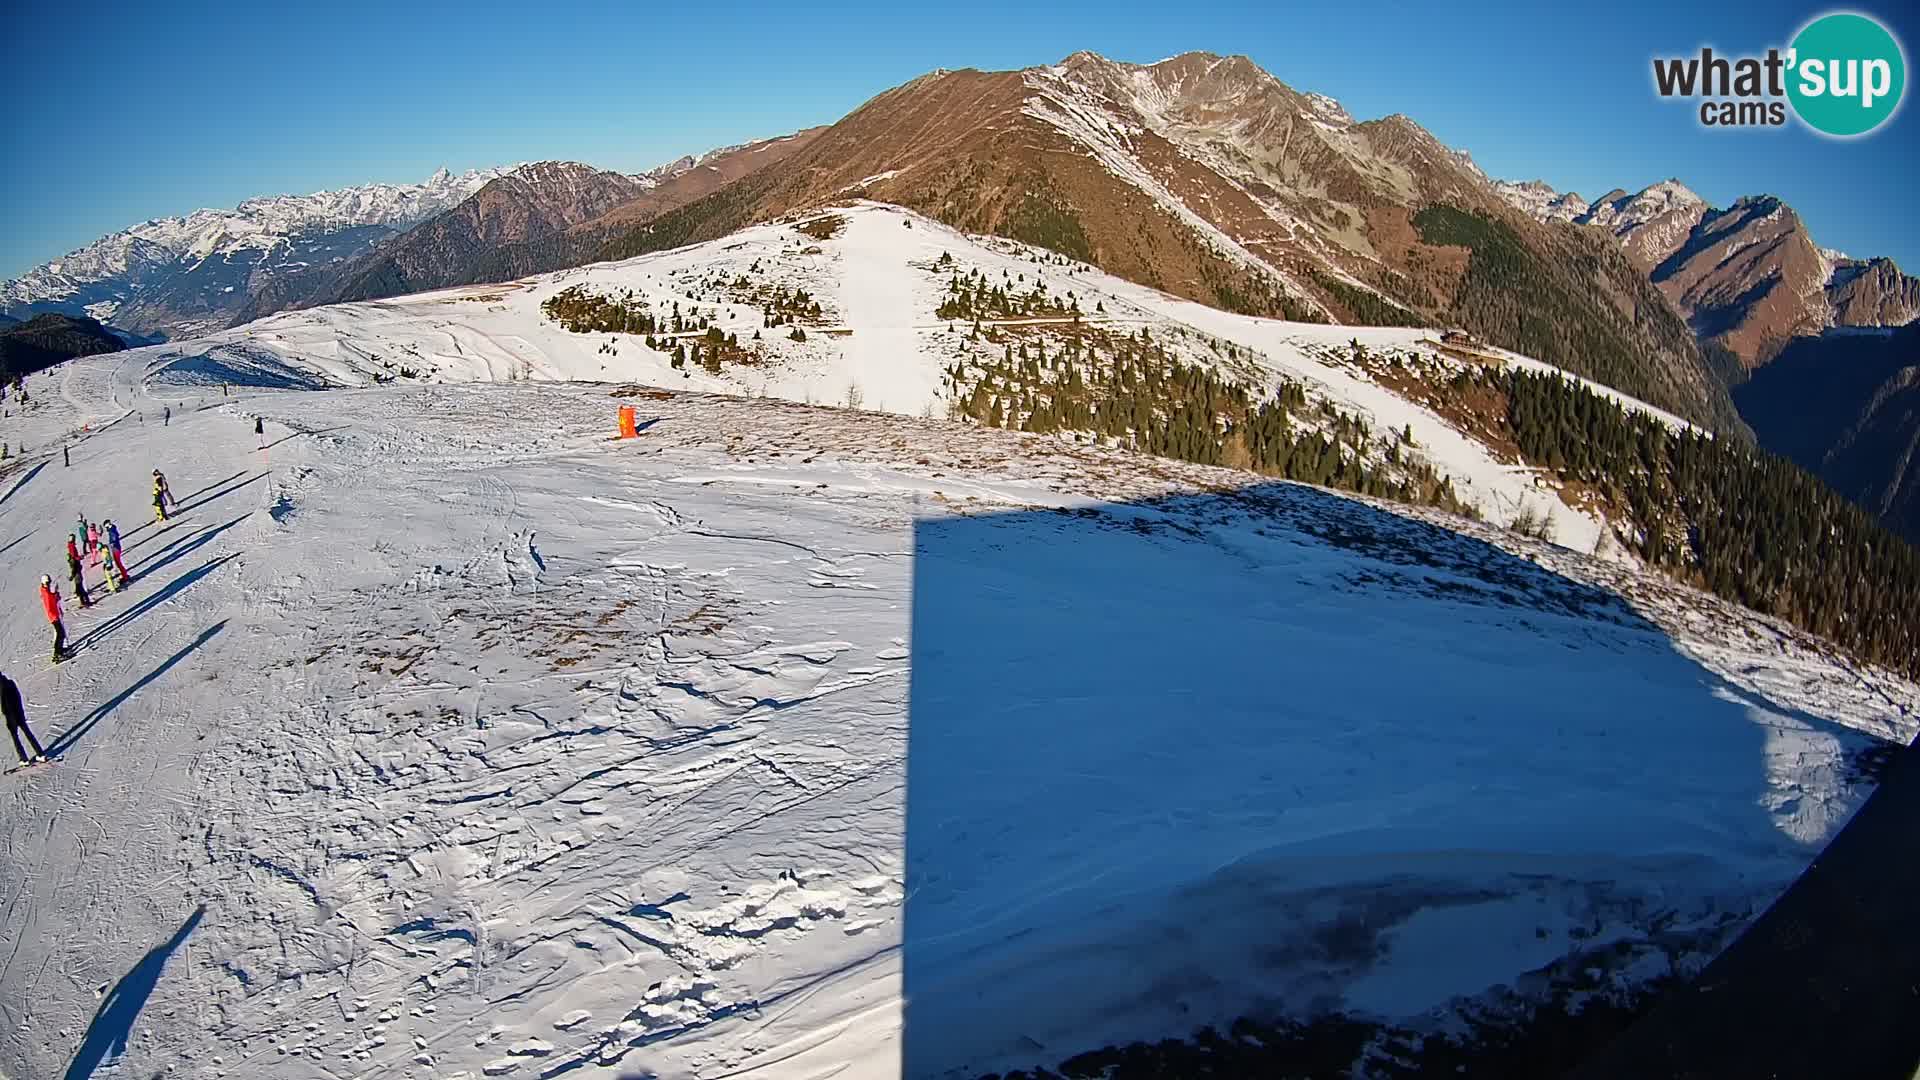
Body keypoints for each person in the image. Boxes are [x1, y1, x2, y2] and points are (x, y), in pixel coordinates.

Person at [2, 670, 46, 765]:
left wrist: (5, 713)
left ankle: (24, 759)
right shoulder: (10, 683)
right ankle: (40, 754)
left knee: (15, 736)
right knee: (27, 732)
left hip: (10, 714)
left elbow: (4, 703)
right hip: (19, 712)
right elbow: (18, 697)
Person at [39, 575, 68, 663]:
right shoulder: (46, 593)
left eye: (49, 582)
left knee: (60, 633)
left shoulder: (46, 591)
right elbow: (49, 606)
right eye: (47, 583)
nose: (49, 584)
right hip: (54, 616)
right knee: (60, 634)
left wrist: (55, 595)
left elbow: (52, 599)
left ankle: (59, 650)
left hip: (55, 615)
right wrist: (54, 616)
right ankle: (57, 653)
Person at [65, 539, 92, 609]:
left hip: (77, 578)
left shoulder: (72, 563)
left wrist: (71, 577)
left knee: (80, 590)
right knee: (79, 590)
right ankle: (84, 601)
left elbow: (74, 570)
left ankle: (85, 601)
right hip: (78, 577)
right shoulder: (74, 562)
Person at [104, 519, 130, 586]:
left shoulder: (112, 531)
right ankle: (124, 575)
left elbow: (114, 538)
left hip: (116, 549)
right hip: (116, 548)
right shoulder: (112, 529)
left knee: (118, 563)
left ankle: (125, 576)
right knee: (118, 563)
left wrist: (112, 544)